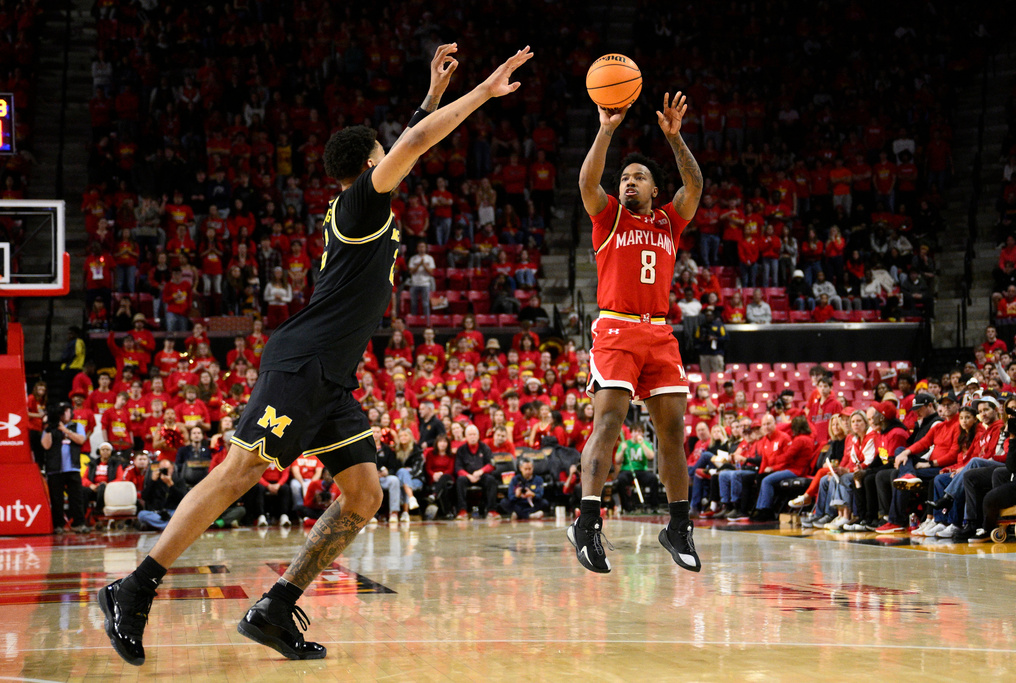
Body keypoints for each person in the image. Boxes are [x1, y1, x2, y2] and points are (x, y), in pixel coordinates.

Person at [98, 43, 535, 665]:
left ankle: (275, 607)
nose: (397, 156)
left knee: (363, 495)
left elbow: (406, 138)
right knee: (241, 471)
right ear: (369, 165)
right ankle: (133, 588)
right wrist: (482, 93)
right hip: (302, 361)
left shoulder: (356, 202)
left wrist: (431, 95)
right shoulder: (362, 200)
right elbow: (412, 146)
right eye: (385, 156)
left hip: (330, 375)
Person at [568, 91, 703, 574]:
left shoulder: (669, 221)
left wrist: (675, 138)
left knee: (672, 433)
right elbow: (587, 180)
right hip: (617, 329)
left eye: (638, 177)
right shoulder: (608, 216)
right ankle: (587, 522)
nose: (628, 182)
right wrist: (606, 128)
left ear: (653, 188)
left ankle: (679, 525)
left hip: (660, 333)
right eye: (624, 177)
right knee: (609, 422)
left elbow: (695, 186)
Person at [42, 402, 89, 533]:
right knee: (56, 499)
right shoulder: (51, 427)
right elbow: (45, 445)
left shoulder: (76, 426)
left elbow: (81, 440)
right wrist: (48, 428)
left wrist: (65, 430)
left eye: (67, 411)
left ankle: (79, 523)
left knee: (77, 498)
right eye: (62, 412)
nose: (65, 414)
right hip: (55, 469)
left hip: (72, 468)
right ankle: (58, 525)